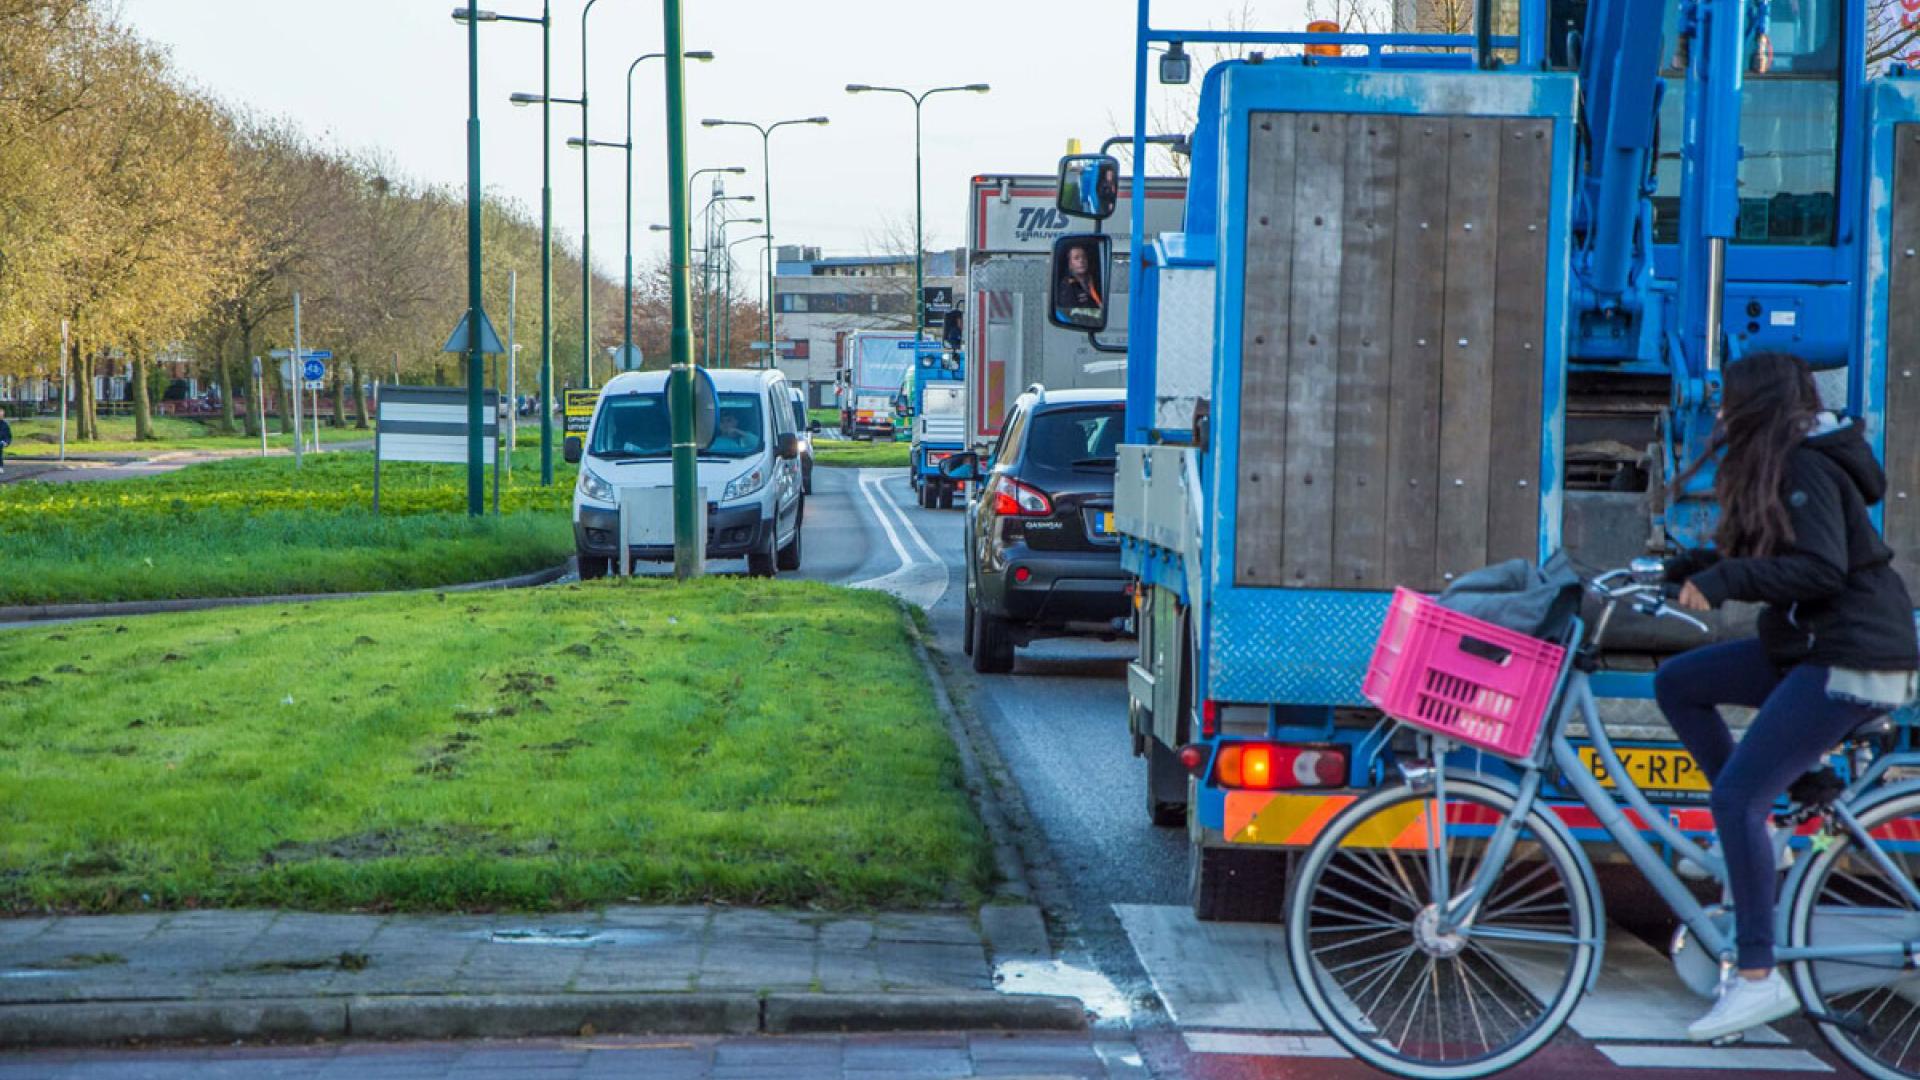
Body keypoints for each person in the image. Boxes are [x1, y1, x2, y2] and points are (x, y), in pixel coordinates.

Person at [1654, 352, 1919, 1042]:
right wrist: (1702, 567)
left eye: (1727, 400)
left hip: (1852, 655)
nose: (1717, 413)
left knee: (1737, 796)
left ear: (1758, 403)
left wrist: (1726, 582)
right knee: (1679, 683)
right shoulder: (1790, 459)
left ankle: (1756, 977)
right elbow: (1788, 554)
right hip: (1810, 647)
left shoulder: (1804, 461)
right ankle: (1765, 831)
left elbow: (1819, 568)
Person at [1058, 244, 1103, 317]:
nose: (1081, 260)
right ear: (1070, 265)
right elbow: (1070, 314)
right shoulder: (1067, 287)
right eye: (1076, 258)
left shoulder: (1096, 281)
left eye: (1084, 257)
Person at [0, 405, 10, 475]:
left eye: (1, 416)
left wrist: (6, 442)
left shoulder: (5, 425)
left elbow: (8, 436)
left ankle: (0, 466)